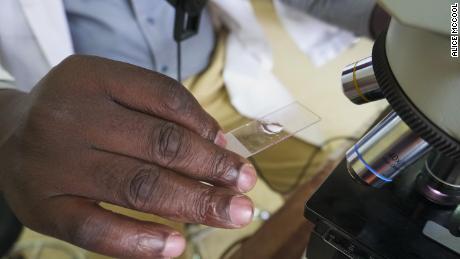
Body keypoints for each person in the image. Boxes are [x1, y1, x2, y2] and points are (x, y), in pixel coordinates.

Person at [0, 0, 389, 258]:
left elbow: (450, 24)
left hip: (219, 85)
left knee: (336, 190)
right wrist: (10, 110)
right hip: (108, 123)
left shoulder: (457, 25)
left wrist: (398, 17)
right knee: (150, 240)